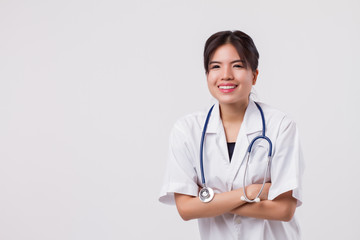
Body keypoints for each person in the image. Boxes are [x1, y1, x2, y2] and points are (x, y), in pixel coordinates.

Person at [158, 30, 304, 240]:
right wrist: (252, 192)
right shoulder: (187, 130)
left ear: (254, 75)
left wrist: (207, 201)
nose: (225, 75)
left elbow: (284, 210)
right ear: (207, 75)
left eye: (237, 65)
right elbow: (186, 210)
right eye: (215, 66)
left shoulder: (280, 126)